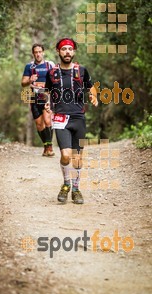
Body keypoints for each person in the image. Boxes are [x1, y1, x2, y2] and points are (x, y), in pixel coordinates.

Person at [45, 37, 98, 204]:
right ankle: (66, 184)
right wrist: (47, 102)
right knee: (65, 156)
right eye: (63, 49)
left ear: (74, 52)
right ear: (58, 52)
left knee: (77, 159)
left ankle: (76, 189)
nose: (67, 52)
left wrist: (94, 96)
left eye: (70, 49)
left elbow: (91, 87)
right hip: (60, 118)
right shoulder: (52, 72)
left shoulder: (82, 70)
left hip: (78, 118)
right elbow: (47, 91)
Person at [21, 43, 55, 156]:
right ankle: (46, 146)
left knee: (47, 120)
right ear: (33, 54)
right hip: (34, 97)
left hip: (46, 95)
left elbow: (55, 81)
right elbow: (23, 83)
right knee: (39, 124)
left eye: (40, 52)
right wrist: (30, 80)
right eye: (36, 52)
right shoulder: (29, 67)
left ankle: (50, 147)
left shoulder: (49, 65)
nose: (38, 54)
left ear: (43, 52)